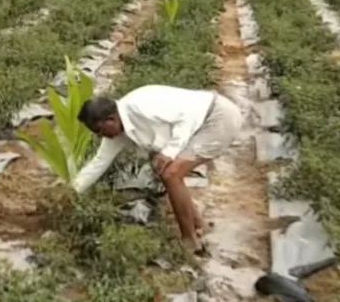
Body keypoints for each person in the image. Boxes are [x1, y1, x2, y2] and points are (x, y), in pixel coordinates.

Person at [72, 84, 243, 254]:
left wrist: (170, 151)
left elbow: (187, 117)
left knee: (171, 174)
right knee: (165, 170)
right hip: (200, 126)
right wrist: (71, 190)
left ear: (111, 119)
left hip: (217, 117)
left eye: (100, 131)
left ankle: (189, 240)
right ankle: (199, 225)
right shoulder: (118, 129)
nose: (102, 136)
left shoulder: (140, 105)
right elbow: (98, 163)